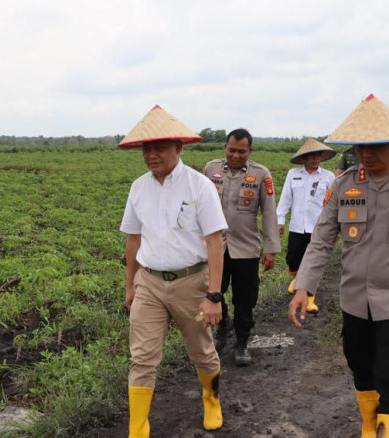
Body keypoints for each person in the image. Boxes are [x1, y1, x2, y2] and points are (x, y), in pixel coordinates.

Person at [289, 94, 389, 438]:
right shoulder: (345, 184)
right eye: (361, 147)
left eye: (376, 147)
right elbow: (321, 239)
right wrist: (303, 287)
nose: (367, 155)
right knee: (361, 369)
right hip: (355, 302)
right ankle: (369, 425)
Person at [119, 105, 228, 436]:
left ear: (178, 147)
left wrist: (214, 295)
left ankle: (211, 399)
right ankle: (138, 427)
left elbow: (214, 243)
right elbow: (133, 240)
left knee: (202, 352)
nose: (152, 155)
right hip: (149, 283)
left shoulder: (199, 186)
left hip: (191, 283)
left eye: (160, 147)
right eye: (147, 149)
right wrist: (130, 285)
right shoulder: (139, 188)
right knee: (142, 358)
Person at [203, 129, 281, 366]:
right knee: (214, 290)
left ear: (250, 151)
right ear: (225, 148)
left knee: (245, 298)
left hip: (246, 248)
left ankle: (243, 342)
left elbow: (268, 213)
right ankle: (222, 326)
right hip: (215, 247)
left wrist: (270, 248)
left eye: (241, 151)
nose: (236, 155)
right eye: (231, 150)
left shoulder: (261, 174)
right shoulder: (210, 170)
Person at [276, 138, 337, 313]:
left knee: (314, 264)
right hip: (297, 226)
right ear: (304, 158)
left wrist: (333, 226)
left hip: (318, 227)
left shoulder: (328, 177)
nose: (315, 158)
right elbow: (286, 198)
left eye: (318, 155)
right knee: (293, 261)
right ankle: (298, 279)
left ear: (322, 157)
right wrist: (280, 220)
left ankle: (309, 298)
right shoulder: (293, 174)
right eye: (311, 155)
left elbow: (331, 203)